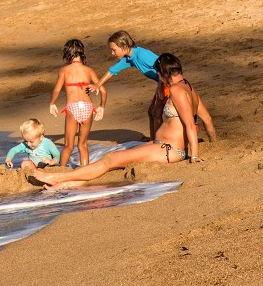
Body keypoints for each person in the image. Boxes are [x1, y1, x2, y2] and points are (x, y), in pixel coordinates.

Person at [36, 53, 216, 185]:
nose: (159, 79)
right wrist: (215, 143)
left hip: (168, 150)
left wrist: (194, 155)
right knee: (115, 161)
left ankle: (55, 177)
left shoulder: (176, 90)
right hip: (162, 146)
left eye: (159, 75)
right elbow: (207, 119)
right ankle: (68, 183)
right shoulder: (189, 88)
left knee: (110, 160)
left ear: (165, 73)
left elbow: (190, 124)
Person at [49, 38, 106, 167]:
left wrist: (52, 103)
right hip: (87, 107)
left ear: (67, 54)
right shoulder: (89, 70)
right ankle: (84, 171)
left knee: (68, 146)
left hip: (73, 107)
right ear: (82, 53)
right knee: (83, 145)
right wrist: (102, 107)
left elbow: (57, 90)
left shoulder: (64, 70)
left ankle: (61, 170)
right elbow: (103, 90)